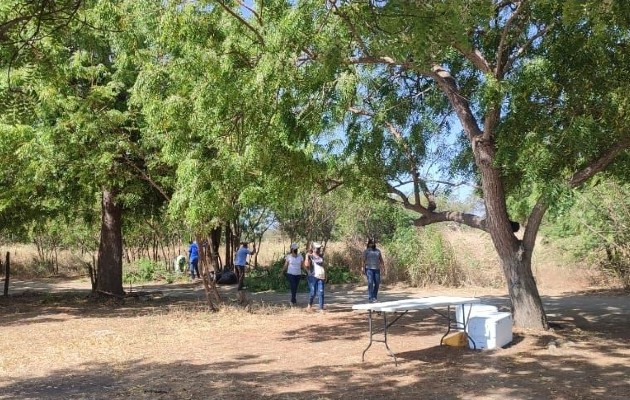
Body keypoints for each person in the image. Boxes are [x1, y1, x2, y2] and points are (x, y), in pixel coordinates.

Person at [304, 242, 326, 312]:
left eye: (319, 249)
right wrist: (307, 256)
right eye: (317, 249)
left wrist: (326, 275)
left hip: (321, 276)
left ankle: (321, 309)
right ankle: (309, 304)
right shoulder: (310, 256)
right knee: (313, 293)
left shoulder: (321, 256)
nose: (319, 250)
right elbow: (306, 265)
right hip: (312, 277)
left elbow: (323, 266)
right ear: (313, 249)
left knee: (321, 292)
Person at [363, 238, 384, 303]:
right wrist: (362, 267)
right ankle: (370, 297)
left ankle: (374, 296)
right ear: (369, 244)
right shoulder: (366, 251)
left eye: (373, 243)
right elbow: (363, 260)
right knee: (370, 282)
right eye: (371, 243)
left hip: (377, 269)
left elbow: (381, 260)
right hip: (369, 269)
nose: (372, 244)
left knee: (377, 283)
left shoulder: (378, 251)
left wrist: (383, 267)